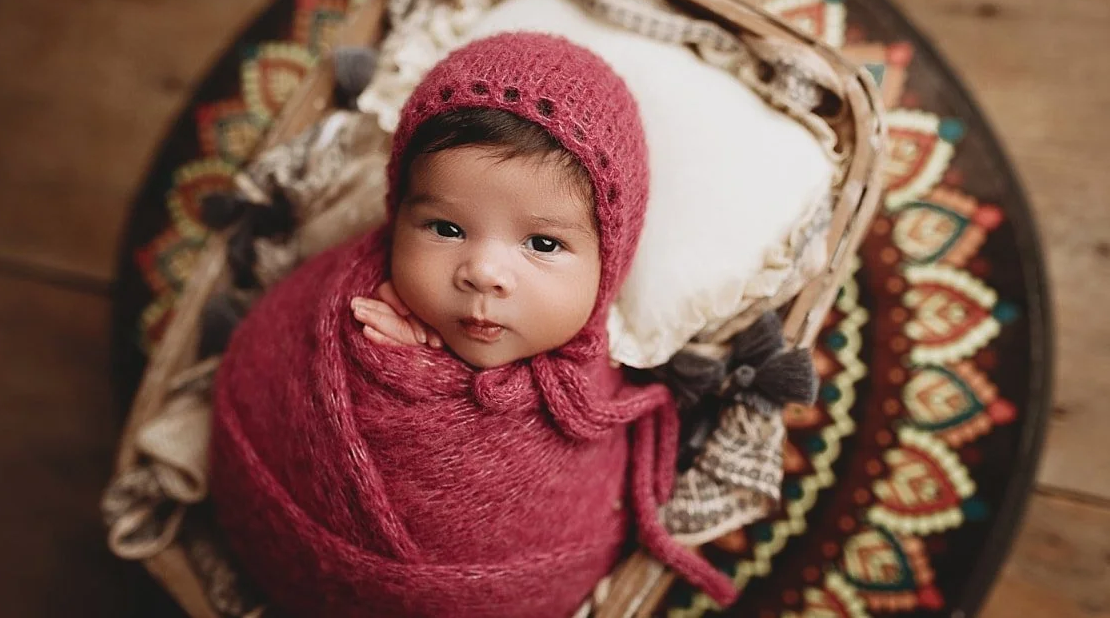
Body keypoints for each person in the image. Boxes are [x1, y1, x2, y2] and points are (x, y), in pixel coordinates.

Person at [210, 32, 736, 618]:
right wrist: (407, 366)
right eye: (445, 229)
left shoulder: (591, 391)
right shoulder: (349, 307)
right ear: (397, 212)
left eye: (542, 243)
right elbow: (265, 374)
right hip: (276, 537)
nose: (484, 272)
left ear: (609, 261)